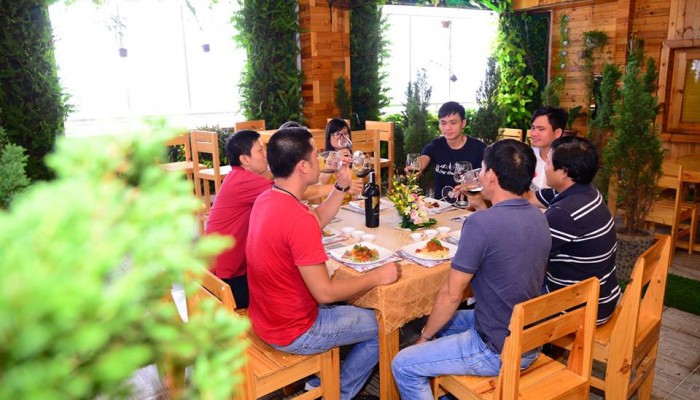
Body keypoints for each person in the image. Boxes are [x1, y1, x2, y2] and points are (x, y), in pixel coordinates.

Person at [246, 127, 401, 400]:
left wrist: (341, 186)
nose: (323, 160)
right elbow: (325, 292)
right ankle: (336, 393)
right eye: (316, 154)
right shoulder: (296, 217)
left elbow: (314, 222)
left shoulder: (267, 199)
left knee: (349, 304)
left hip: (264, 318)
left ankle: (324, 383)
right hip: (296, 330)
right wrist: (377, 276)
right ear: (303, 166)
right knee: (386, 323)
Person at [391, 140, 551, 399]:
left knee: (403, 363)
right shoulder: (539, 217)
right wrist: (479, 204)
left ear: (491, 176)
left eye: (482, 169)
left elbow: (451, 295)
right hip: (528, 335)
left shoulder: (480, 225)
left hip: (497, 347)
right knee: (435, 320)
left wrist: (424, 338)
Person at [205, 129, 361, 308]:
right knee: (313, 287)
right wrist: (343, 187)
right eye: (260, 150)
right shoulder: (244, 183)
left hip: (227, 269)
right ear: (245, 159)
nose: (266, 155)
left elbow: (279, 180)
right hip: (227, 278)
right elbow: (295, 189)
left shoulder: (239, 177)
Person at [531, 136, 620, 324]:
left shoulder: (564, 213)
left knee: (505, 287)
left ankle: (526, 348)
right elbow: (532, 197)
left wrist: (483, 208)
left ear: (563, 172)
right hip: (602, 295)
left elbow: (525, 254)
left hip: (582, 308)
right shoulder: (585, 191)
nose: (544, 168)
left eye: (547, 163)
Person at [415, 101, 486, 198]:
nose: (447, 128)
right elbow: (425, 156)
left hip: (469, 206)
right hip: (439, 205)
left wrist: (470, 187)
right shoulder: (436, 145)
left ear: (463, 123)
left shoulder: (479, 149)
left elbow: (487, 180)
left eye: (453, 123)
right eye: (443, 123)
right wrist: (417, 167)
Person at [529, 106, 567, 190]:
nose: (534, 133)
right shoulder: (526, 156)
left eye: (541, 129)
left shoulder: (567, 164)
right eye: (533, 128)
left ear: (557, 132)